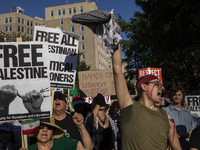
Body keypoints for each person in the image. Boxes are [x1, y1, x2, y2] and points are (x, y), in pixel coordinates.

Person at [111, 24, 181, 149]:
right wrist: (116, 37)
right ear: (144, 86)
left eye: (161, 85)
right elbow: (117, 70)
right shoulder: (129, 108)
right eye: (157, 84)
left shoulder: (167, 118)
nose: (161, 88)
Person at [19, 114, 93, 150]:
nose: (45, 130)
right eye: (41, 126)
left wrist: (81, 126)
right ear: (35, 130)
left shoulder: (62, 142)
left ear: (53, 132)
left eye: (49, 127)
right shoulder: (28, 149)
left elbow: (88, 148)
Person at [164, 86, 196, 150]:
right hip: (171, 146)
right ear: (171, 96)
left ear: (182, 96)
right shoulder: (165, 111)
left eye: (179, 95)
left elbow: (193, 129)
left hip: (186, 146)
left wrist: (186, 135)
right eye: (174, 95)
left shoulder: (187, 112)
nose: (177, 97)